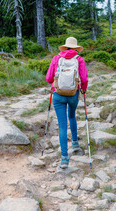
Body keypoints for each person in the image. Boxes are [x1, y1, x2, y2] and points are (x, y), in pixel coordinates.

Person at [46, 37, 88, 169]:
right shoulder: (79, 59)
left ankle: (64, 158)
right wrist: (83, 90)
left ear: (65, 47)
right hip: (73, 94)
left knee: (63, 125)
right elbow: (84, 78)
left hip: (58, 95)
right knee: (72, 116)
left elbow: (48, 78)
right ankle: (75, 144)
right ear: (75, 48)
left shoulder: (56, 58)